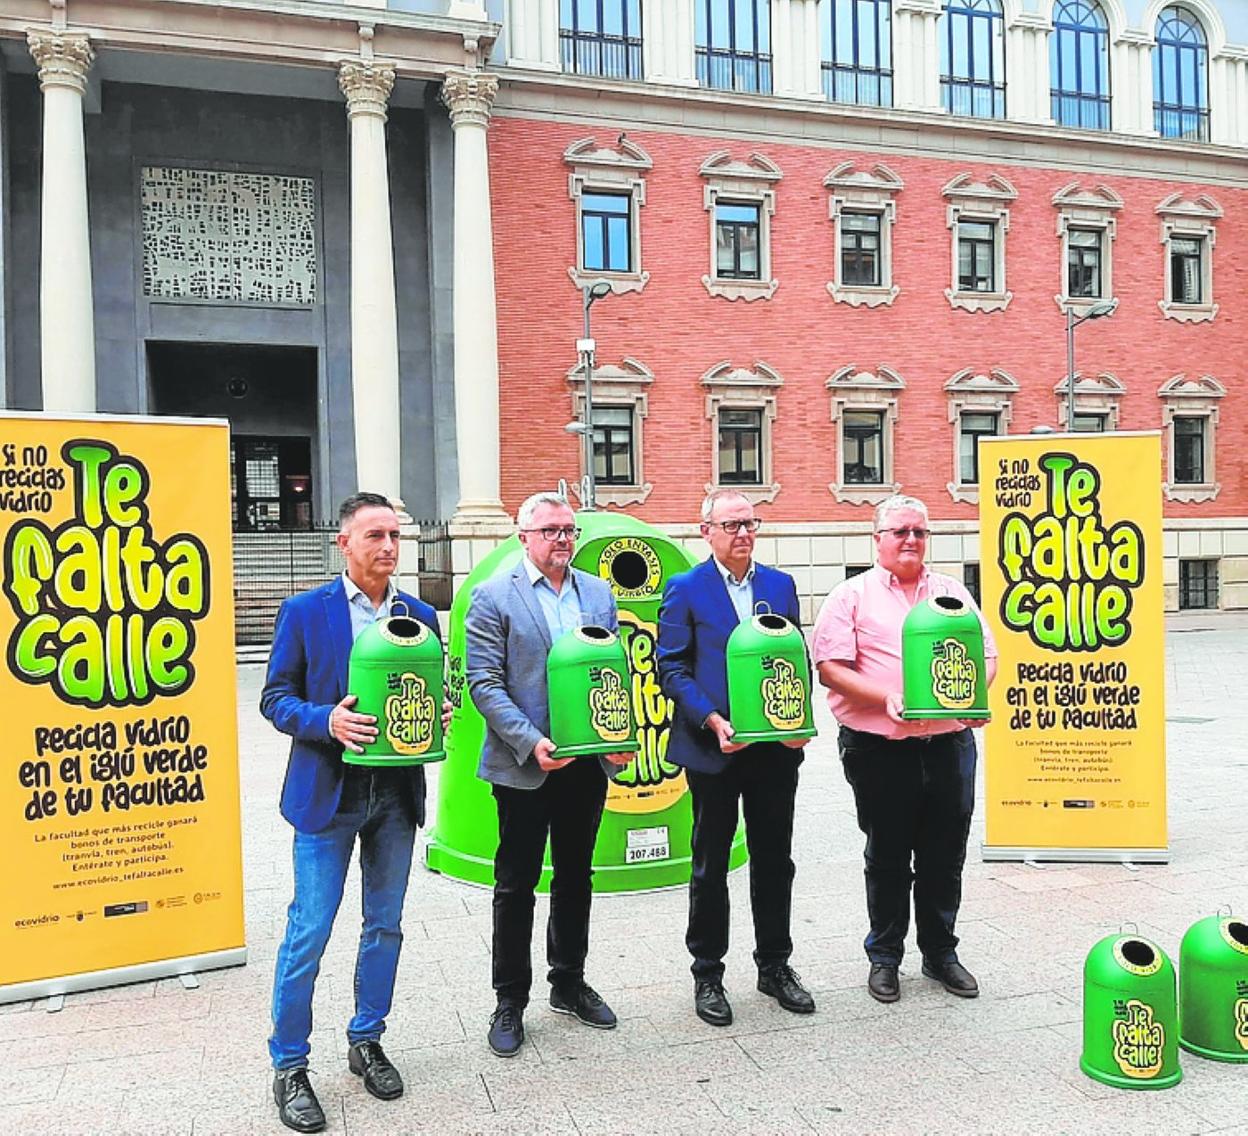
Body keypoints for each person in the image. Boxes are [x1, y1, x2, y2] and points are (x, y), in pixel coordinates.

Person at [261, 492, 445, 1133]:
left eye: (395, 534)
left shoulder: (420, 614)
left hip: (395, 797)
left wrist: (437, 713)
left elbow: (428, 693)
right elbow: (275, 698)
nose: (388, 546)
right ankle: (289, 1065)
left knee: (385, 924)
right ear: (344, 543)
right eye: (374, 535)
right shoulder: (306, 612)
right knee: (309, 929)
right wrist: (327, 719)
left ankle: (367, 1038)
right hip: (328, 794)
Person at [465, 491, 634, 1058]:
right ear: (524, 536)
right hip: (524, 765)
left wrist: (618, 739)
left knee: (576, 876)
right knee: (515, 885)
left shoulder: (597, 593)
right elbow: (483, 683)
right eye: (551, 530)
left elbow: (613, 672)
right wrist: (531, 740)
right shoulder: (493, 597)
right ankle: (510, 998)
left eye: (569, 530)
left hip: (585, 764)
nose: (563, 539)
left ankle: (569, 981)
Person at [811, 494, 997, 1005]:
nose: (911, 540)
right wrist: (885, 697)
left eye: (919, 531)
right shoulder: (851, 595)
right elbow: (829, 667)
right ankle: (885, 957)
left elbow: (985, 653)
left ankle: (940, 954)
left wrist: (975, 696)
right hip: (879, 749)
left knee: (944, 854)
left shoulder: (952, 592)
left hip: (948, 745)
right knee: (888, 854)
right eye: (900, 532)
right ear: (878, 540)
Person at [656, 489, 815, 1027]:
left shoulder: (780, 585)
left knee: (775, 860)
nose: (743, 532)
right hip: (714, 749)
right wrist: (711, 719)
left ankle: (775, 966)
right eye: (731, 524)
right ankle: (708, 973)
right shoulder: (685, 589)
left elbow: (796, 659)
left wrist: (799, 723)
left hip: (773, 751)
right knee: (710, 863)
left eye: (750, 523)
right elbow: (671, 668)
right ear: (707, 531)